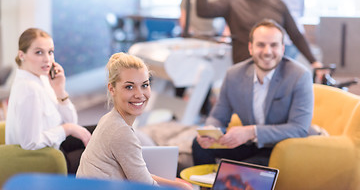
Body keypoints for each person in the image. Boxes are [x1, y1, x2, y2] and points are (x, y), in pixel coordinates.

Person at [192, 19, 314, 166]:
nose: (267, 52)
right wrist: (210, 131)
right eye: (261, 45)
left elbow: (299, 129)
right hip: (250, 144)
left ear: (282, 49)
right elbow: (218, 116)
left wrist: (251, 132)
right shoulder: (234, 75)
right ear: (250, 48)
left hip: (281, 148)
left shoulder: (299, 76)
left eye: (274, 45)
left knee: (244, 170)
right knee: (199, 146)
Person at [76, 53, 191, 190]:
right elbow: (146, 186)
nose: (139, 94)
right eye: (129, 87)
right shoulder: (121, 132)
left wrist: (179, 185)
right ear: (112, 89)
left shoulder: (109, 119)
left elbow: (141, 177)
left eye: (144, 85)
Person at [196, 0, 322, 70]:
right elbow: (203, 10)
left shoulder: (277, 4)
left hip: (274, 74)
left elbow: (295, 35)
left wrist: (314, 62)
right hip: (243, 73)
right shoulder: (231, 4)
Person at [5, 28, 93, 174]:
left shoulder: (41, 78)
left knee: (104, 133)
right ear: (22, 55)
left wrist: (59, 91)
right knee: (104, 157)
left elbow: (71, 120)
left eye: (50, 52)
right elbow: (30, 143)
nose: (47, 59)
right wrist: (67, 129)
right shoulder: (29, 89)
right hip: (43, 158)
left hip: (56, 145)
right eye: (39, 52)